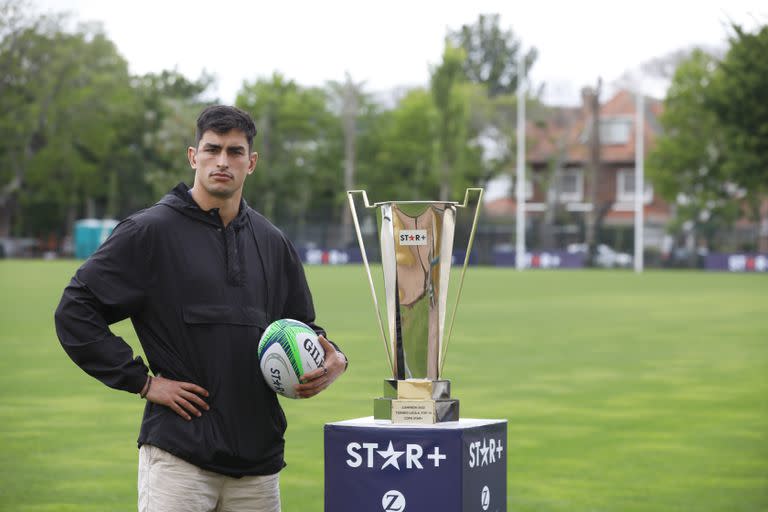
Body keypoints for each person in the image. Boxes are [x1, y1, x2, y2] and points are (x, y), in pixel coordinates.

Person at [54, 105, 347, 512]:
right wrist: (142, 381)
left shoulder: (273, 242)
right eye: (212, 149)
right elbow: (75, 310)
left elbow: (303, 327)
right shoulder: (149, 232)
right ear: (194, 156)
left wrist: (334, 360)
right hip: (179, 460)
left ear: (252, 162)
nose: (222, 161)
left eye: (235, 151)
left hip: (258, 468)